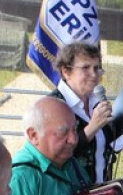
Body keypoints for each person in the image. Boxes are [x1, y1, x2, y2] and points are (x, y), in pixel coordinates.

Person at [50, 42, 118, 184]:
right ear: (65, 72)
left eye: (97, 68)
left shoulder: (96, 102)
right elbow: (53, 154)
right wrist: (92, 127)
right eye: (86, 68)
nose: (94, 75)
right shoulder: (53, 105)